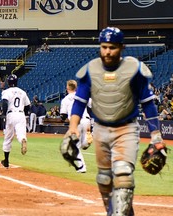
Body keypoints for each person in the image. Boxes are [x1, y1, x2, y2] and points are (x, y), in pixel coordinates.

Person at [66, 27, 164, 215]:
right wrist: (72, 128)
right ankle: (118, 212)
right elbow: (79, 102)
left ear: (121, 47)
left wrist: (156, 135)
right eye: (104, 47)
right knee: (104, 179)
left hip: (126, 129)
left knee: (123, 174)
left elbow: (148, 104)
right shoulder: (90, 71)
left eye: (112, 47)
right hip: (100, 129)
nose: (107, 51)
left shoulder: (134, 70)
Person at [60, 80, 93, 173]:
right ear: (76, 88)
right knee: (82, 144)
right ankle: (86, 141)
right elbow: (92, 105)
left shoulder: (65, 99)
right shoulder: (81, 96)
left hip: (75, 122)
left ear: (67, 88)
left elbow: (63, 116)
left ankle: (82, 167)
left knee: (75, 146)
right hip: (86, 120)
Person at [1, 74, 31, 168]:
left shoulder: (6, 91)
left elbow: (5, 102)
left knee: (8, 137)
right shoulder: (22, 92)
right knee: (21, 133)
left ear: (8, 83)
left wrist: (3, 114)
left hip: (11, 114)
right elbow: (28, 106)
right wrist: (24, 114)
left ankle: (6, 161)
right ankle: (22, 140)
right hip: (20, 114)